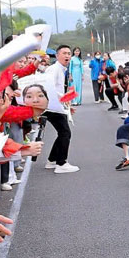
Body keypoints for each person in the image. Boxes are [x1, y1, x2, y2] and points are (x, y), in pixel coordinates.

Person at [44, 45, 79, 174]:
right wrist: (63, 99)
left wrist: (66, 104)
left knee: (62, 132)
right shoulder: (54, 69)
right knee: (65, 133)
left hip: (56, 105)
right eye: (64, 53)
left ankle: (52, 160)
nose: (67, 56)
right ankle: (61, 163)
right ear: (57, 55)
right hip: (52, 106)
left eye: (69, 53)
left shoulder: (61, 69)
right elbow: (49, 88)